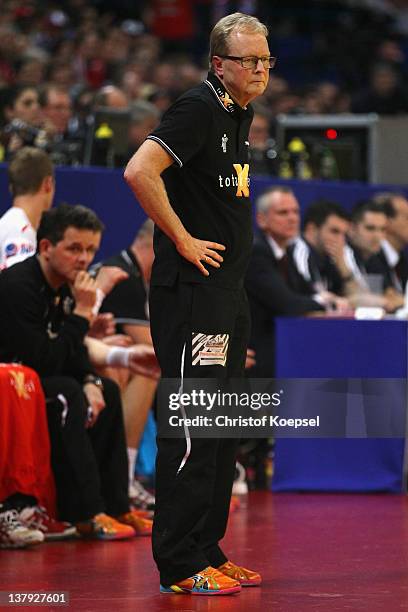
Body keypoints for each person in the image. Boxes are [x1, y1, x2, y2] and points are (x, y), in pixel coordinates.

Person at [124, 12, 272, 596]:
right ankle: (180, 563)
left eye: (265, 60)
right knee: (193, 428)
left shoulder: (240, 112)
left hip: (227, 294)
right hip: (192, 294)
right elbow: (140, 171)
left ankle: (207, 549)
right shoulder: (197, 108)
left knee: (222, 426)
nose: (259, 70)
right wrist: (182, 239)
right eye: (248, 60)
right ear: (219, 64)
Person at [0, 204, 156, 539]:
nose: (84, 259)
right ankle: (85, 512)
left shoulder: (67, 286)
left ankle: (117, 506)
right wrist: (83, 313)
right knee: (67, 394)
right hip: (15, 384)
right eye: (74, 249)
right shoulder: (18, 286)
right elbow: (43, 358)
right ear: (46, 247)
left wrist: (90, 380)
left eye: (90, 250)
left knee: (107, 391)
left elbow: (74, 349)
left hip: (41, 376)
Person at [97, 219, 157, 512]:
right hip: (88, 358)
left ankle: (126, 477)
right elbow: (150, 345)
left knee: (147, 369)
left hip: (99, 354)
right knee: (148, 368)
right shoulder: (125, 276)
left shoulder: (137, 276)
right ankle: (122, 479)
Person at [245, 186, 326, 378]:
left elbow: (303, 293)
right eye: (283, 212)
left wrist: (319, 299)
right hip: (256, 355)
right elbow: (288, 303)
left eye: (296, 212)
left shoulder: (286, 252)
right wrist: (323, 300)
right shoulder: (257, 252)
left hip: (281, 347)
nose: (292, 218)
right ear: (261, 219)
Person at [0, 147, 55, 270]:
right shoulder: (19, 231)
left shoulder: (14, 225)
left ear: (11, 188)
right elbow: (18, 286)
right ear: (48, 184)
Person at [293, 199, 353, 296]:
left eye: (344, 234)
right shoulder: (300, 250)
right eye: (335, 232)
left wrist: (343, 267)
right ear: (311, 229)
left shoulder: (330, 257)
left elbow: (356, 296)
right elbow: (309, 297)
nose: (341, 240)